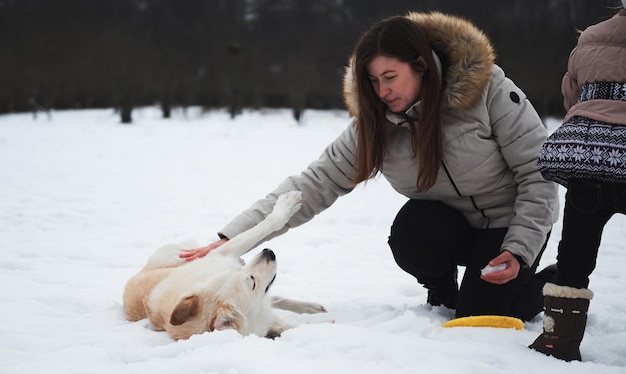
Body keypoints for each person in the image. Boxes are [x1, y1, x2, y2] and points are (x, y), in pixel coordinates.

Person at [181, 12, 559, 322]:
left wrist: (520, 249)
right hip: (450, 229)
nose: (382, 92)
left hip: (509, 227)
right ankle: (442, 289)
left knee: (481, 317)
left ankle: (546, 285)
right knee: (412, 231)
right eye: (373, 81)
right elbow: (313, 184)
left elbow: (539, 172)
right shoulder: (374, 124)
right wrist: (231, 239)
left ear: (422, 67)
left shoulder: (488, 89)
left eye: (390, 78)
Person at [530, 3, 626, 361]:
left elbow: (571, 95)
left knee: (574, 255)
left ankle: (560, 340)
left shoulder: (590, 37)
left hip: (587, 158)